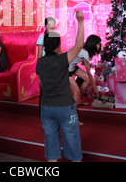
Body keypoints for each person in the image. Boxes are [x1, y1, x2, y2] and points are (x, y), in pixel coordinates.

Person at [36, 10, 85, 162]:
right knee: (72, 140)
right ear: (58, 45)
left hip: (46, 107)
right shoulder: (62, 60)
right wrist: (81, 22)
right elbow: (79, 45)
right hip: (64, 106)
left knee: (51, 141)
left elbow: (42, 84)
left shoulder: (40, 63)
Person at [68, 35, 102, 105]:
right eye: (97, 44)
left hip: (72, 66)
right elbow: (89, 72)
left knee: (87, 79)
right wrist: (95, 88)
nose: (99, 46)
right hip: (66, 69)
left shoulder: (85, 46)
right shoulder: (85, 53)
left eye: (99, 44)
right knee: (77, 89)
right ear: (92, 44)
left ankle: (78, 99)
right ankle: (73, 107)